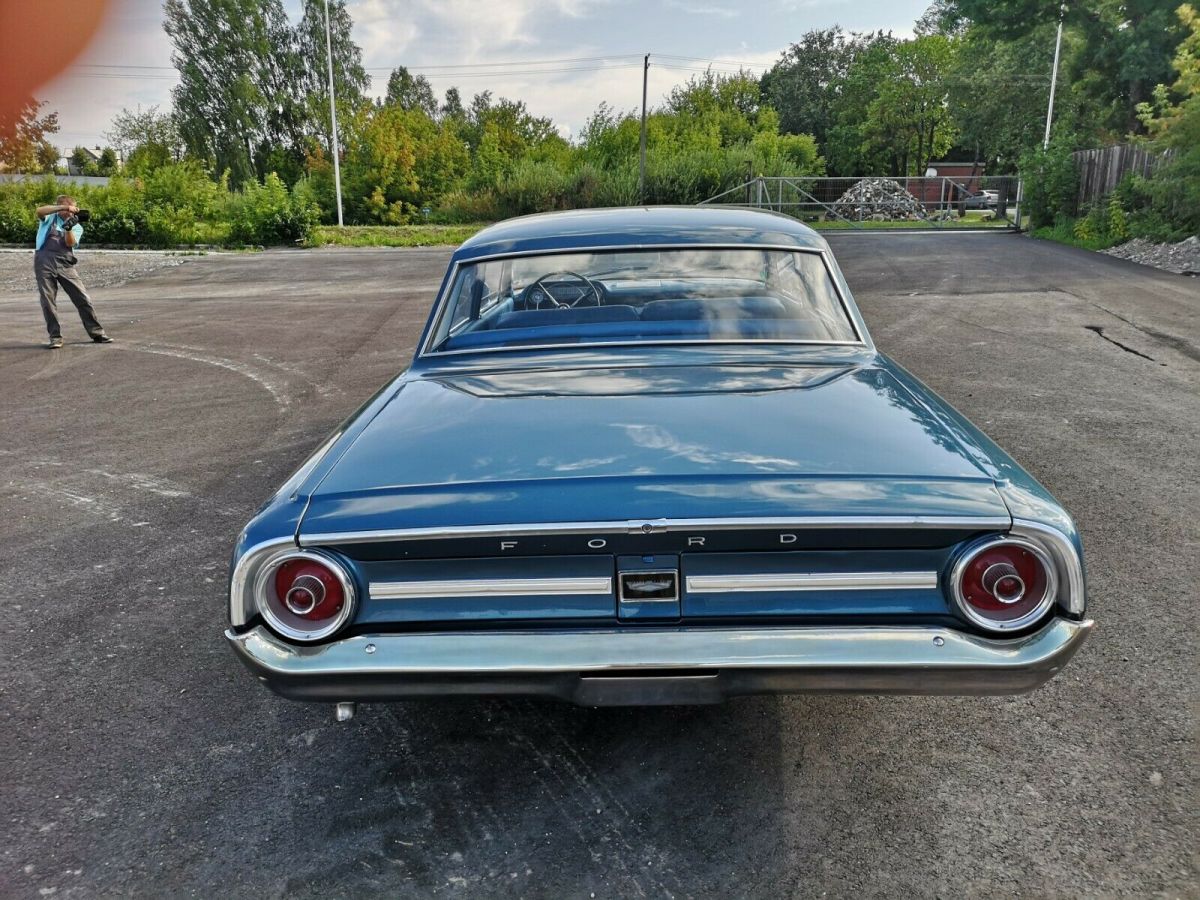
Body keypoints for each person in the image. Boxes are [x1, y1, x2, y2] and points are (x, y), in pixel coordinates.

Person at [35, 194, 111, 348]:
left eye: (72, 210)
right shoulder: (49, 219)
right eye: (66, 210)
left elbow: (70, 243)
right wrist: (63, 207)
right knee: (48, 301)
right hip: (44, 262)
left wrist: (68, 227)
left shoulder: (77, 226)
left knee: (82, 298)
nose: (70, 213)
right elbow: (39, 211)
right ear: (59, 209)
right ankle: (55, 337)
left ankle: (96, 332)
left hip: (65, 263)